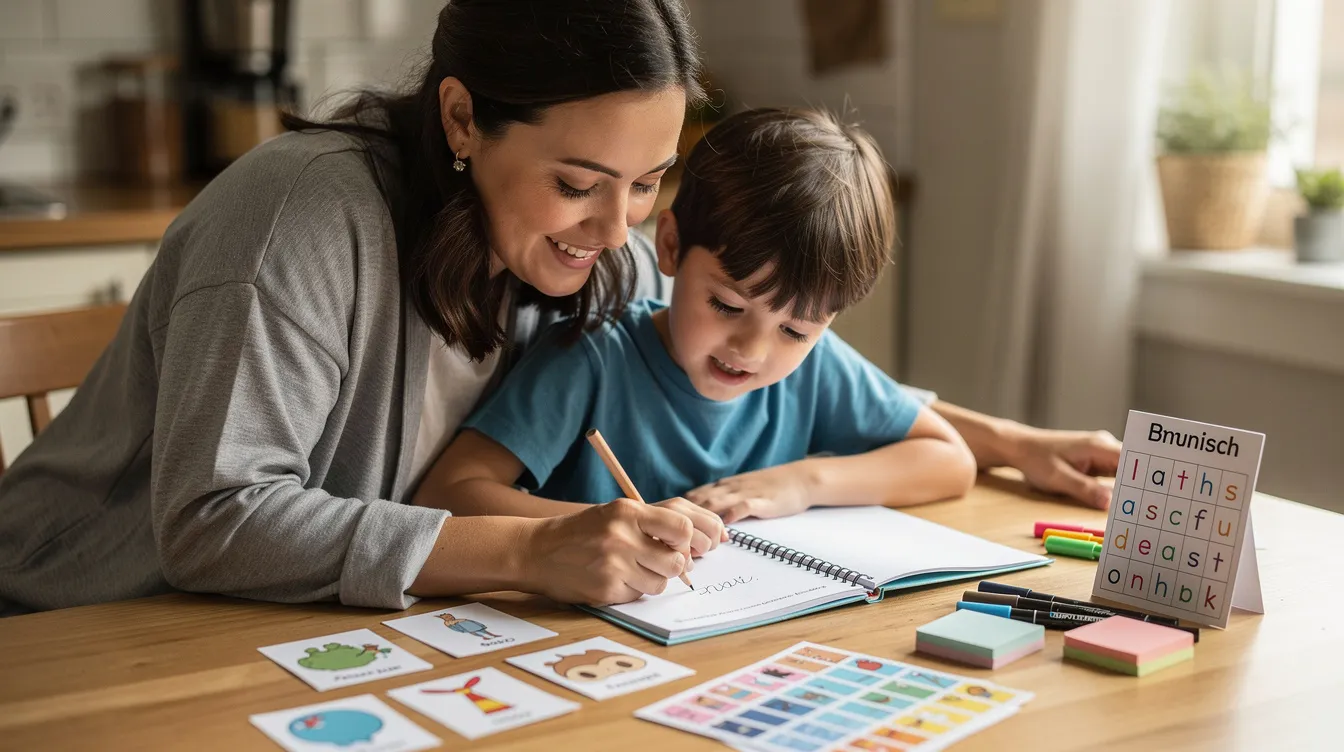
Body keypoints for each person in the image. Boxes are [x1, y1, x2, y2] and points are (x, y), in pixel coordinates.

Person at [0, 0, 1118, 617]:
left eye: (646, 185)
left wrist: (1009, 441)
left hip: (301, 632)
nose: (617, 227)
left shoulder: (590, 252)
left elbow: (766, 350)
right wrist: (527, 555)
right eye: (581, 182)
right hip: (92, 617)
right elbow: (216, 519)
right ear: (460, 117)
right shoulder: (298, 223)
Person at [415, 108, 979, 535]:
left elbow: (950, 460)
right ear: (670, 246)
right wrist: (582, 528)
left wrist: (801, 482)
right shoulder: (591, 358)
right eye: (728, 306)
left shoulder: (814, 369)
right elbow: (448, 492)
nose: (753, 350)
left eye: (796, 331)